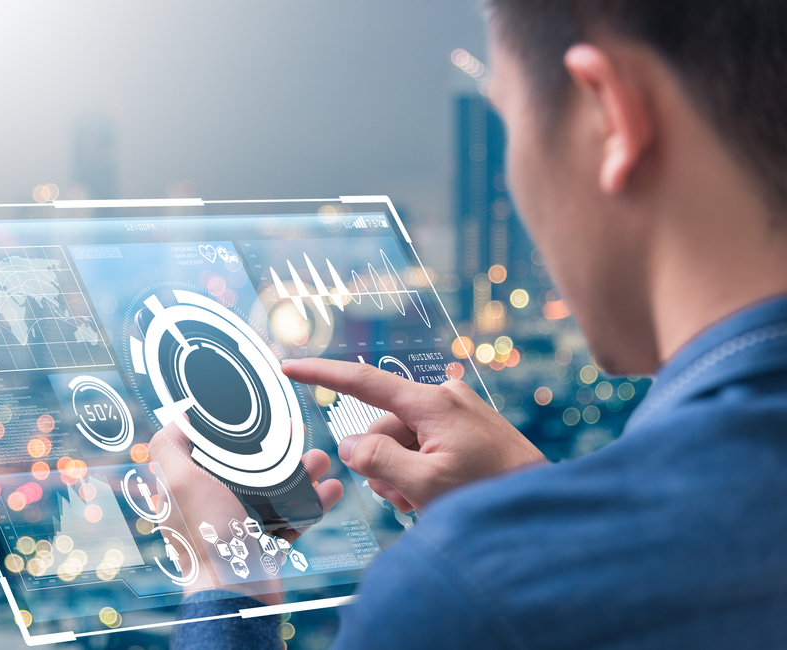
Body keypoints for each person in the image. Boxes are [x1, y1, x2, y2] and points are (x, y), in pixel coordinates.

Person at [153, 0, 787, 646]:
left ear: (609, 119)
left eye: (507, 120)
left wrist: (222, 582)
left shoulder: (464, 598)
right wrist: (537, 506)